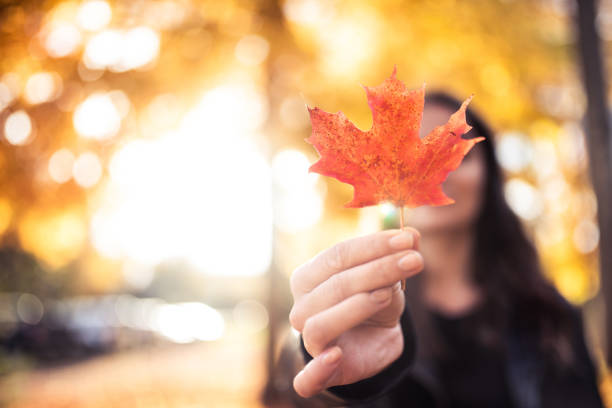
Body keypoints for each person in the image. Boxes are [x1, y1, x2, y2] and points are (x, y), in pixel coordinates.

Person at [276, 92, 605, 407]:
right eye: (409, 155)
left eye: (456, 152)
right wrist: (330, 370)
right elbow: (299, 389)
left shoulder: (549, 318)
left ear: (489, 177)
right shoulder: (365, 309)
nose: (432, 171)